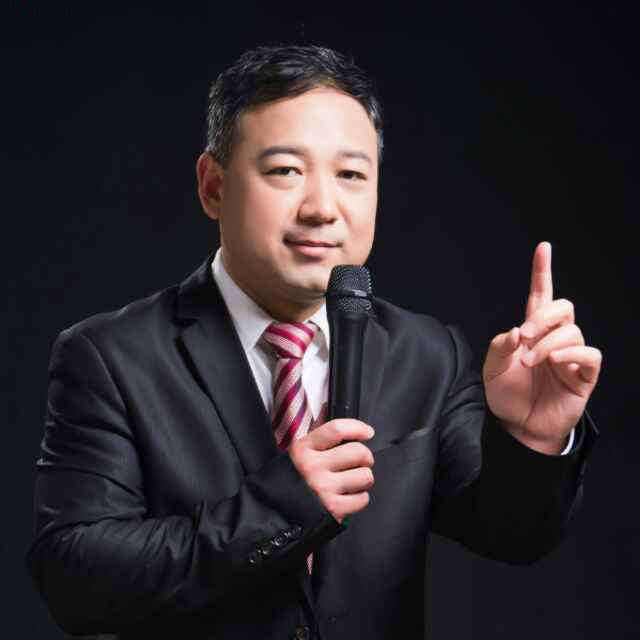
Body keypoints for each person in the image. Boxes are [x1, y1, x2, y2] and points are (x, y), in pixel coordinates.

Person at [26, 45, 602, 640]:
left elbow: (512, 534)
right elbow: (74, 578)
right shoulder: (110, 357)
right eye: (285, 171)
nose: (322, 209)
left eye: (351, 175)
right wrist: (282, 507)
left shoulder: (428, 355)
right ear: (213, 186)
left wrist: (535, 440)